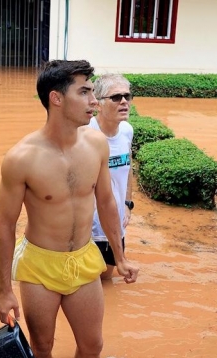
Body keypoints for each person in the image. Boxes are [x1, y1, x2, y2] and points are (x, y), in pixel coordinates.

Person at [0, 60, 139, 358]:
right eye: (85, 92)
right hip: (39, 266)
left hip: (84, 259)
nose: (94, 101)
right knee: (42, 351)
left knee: (92, 348)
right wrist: (5, 291)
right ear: (56, 99)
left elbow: (107, 203)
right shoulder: (21, 158)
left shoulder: (97, 144)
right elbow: (6, 226)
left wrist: (120, 256)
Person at [89, 74, 135, 280]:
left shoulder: (126, 131)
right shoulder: (85, 133)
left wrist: (127, 203)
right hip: (86, 228)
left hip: (115, 226)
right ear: (98, 103)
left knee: (106, 281)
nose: (124, 101)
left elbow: (128, 169)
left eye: (127, 96)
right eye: (116, 97)